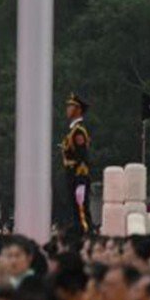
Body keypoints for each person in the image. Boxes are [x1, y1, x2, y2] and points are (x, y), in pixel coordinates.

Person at [62, 94, 94, 235]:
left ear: (78, 110)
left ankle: (86, 235)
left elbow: (82, 156)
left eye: (71, 106)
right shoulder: (73, 130)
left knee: (81, 210)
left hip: (78, 175)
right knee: (75, 210)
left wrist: (81, 180)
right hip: (71, 174)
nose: (68, 109)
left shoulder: (79, 131)